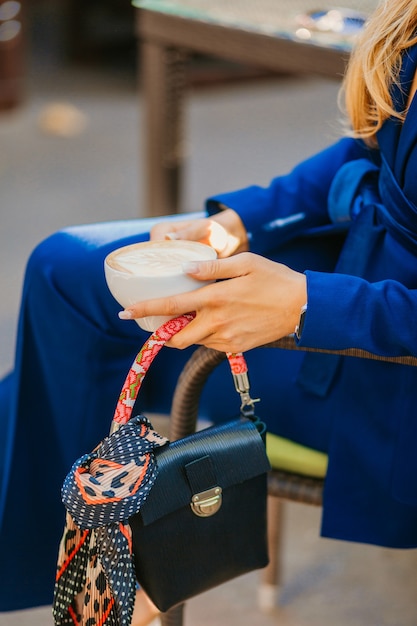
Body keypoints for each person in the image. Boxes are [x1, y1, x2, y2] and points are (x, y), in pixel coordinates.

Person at [1, 0, 417, 623]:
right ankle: (81, 557)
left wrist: (306, 305)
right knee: (66, 268)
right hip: (356, 268)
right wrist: (238, 221)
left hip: (383, 359)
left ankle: (97, 576)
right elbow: (374, 145)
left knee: (88, 347)